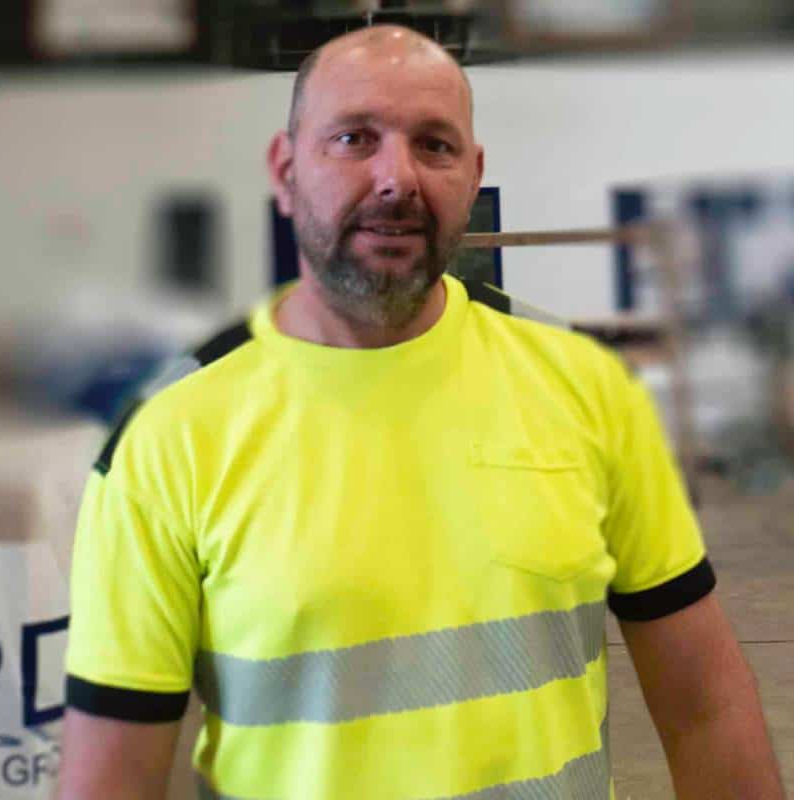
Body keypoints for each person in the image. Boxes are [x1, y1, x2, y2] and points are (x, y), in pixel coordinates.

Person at [57, 24, 785, 800]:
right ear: (286, 168)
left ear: (473, 176)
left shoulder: (587, 387)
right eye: (353, 138)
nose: (396, 176)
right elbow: (111, 782)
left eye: (434, 145)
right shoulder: (167, 436)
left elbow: (706, 710)